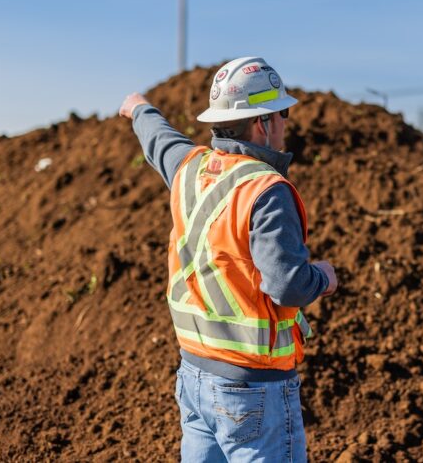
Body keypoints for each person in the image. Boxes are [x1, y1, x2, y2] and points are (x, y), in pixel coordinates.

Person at [119, 57, 338, 462]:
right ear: (262, 124)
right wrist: (324, 277)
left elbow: (159, 139)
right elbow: (287, 284)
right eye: (282, 113)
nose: (286, 123)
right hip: (254, 390)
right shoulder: (266, 190)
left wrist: (139, 109)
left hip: (195, 375)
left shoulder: (189, 169)